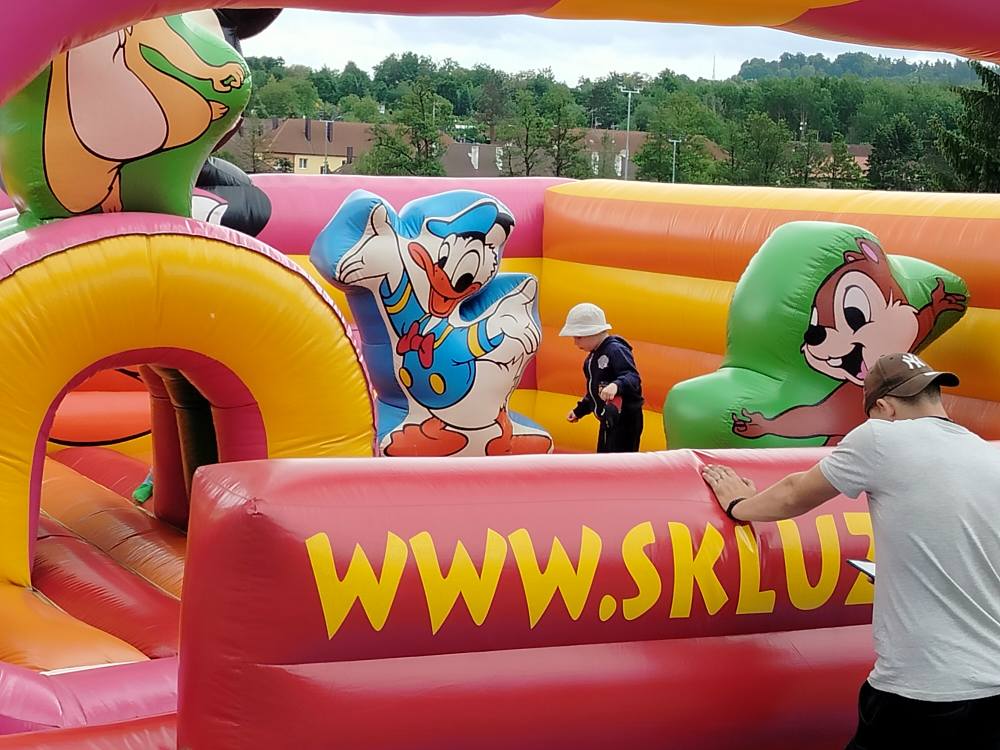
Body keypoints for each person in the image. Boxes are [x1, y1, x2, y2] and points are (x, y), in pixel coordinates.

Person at [701, 352, 1000, 750]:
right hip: (991, 686)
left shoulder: (880, 438)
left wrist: (739, 504)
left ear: (884, 408)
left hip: (924, 687)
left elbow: (794, 494)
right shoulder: (987, 455)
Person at [559, 302, 644, 453]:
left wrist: (616, 385)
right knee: (604, 456)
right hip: (608, 418)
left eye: (578, 337)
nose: (575, 342)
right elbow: (594, 391)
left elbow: (632, 376)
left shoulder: (615, 350)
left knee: (620, 459)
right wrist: (580, 410)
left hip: (625, 420)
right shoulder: (592, 358)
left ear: (594, 332)